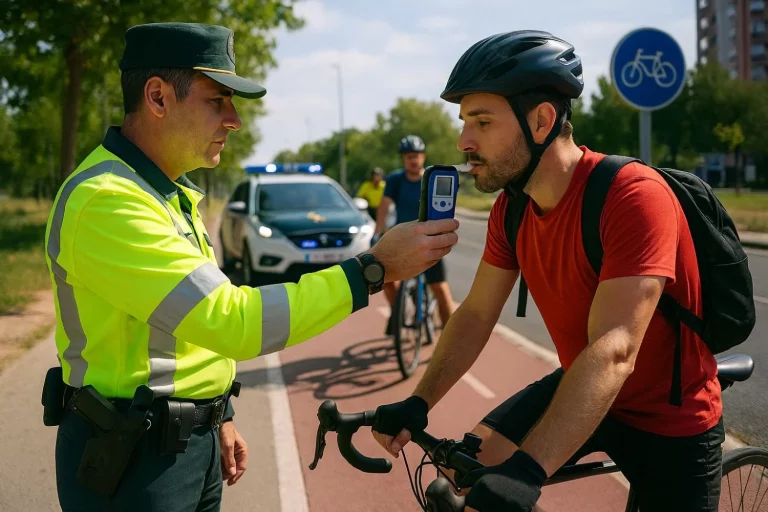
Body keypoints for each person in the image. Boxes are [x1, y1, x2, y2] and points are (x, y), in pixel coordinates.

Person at [43, 22, 459, 512]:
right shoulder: (107, 200)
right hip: (129, 461)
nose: (234, 119)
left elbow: (187, 323)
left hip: (173, 443)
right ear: (157, 97)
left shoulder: (166, 193)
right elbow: (230, 319)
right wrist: (372, 270)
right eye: (218, 100)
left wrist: (218, 414)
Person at [370, 31, 724, 512]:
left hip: (669, 416)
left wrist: (529, 468)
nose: (463, 141)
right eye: (464, 122)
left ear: (541, 121)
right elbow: (475, 315)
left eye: (481, 121)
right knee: (460, 479)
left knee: (511, 483)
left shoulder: (632, 196)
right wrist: (420, 401)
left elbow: (616, 349)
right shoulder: (511, 210)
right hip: (580, 385)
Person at [374, 135, 456, 336]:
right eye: (410, 156)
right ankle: (398, 310)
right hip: (402, 240)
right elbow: (384, 207)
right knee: (384, 279)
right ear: (403, 159)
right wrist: (377, 233)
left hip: (430, 240)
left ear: (423, 157)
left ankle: (450, 335)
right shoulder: (395, 180)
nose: (414, 160)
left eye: (417, 156)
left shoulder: (432, 179)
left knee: (440, 289)